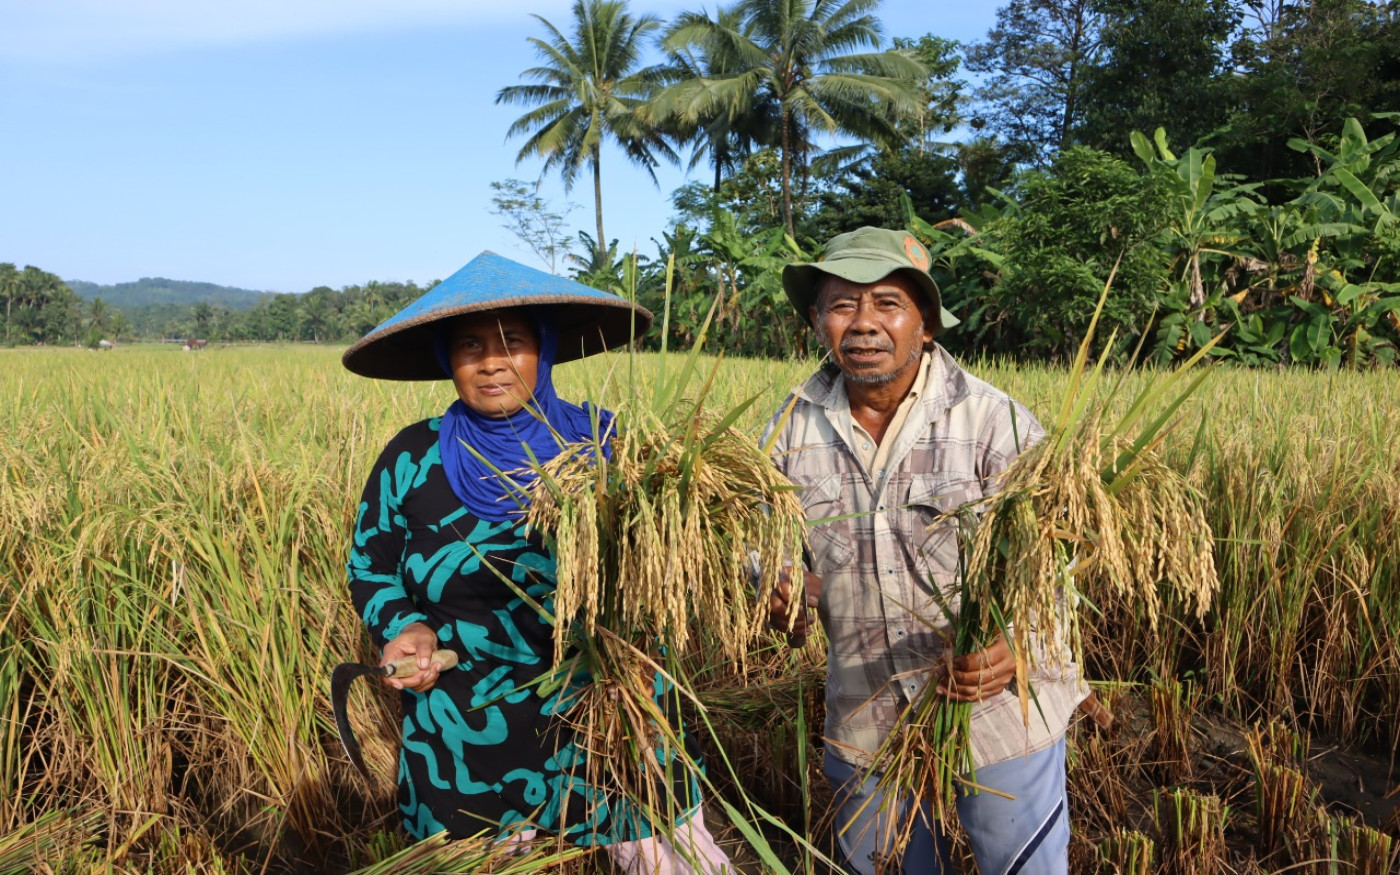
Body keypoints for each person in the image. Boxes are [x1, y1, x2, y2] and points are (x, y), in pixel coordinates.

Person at [342, 251, 731, 872]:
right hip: (464, 728)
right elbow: (370, 565)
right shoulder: (412, 458)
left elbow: (688, 547)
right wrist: (404, 626)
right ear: (447, 358)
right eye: (469, 345)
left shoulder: (609, 446)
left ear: (543, 349)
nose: (491, 362)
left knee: (663, 857)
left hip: (609, 715)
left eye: (512, 342)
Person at [765, 228, 1088, 875]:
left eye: (887, 303)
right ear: (816, 322)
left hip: (999, 714)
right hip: (867, 715)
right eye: (842, 305)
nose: (863, 323)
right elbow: (760, 541)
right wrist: (775, 584)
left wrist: (1018, 642)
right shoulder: (787, 430)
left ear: (927, 324)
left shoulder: (995, 422)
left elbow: (1060, 559)